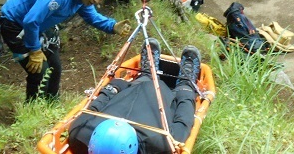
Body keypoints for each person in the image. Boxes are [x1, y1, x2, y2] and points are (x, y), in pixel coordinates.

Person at [0, 0, 132, 101]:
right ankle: (33, 110)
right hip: (14, 23)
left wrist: (113, 26)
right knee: (39, 71)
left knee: (54, 67)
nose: (97, 1)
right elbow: (30, 21)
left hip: (39, 23)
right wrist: (35, 50)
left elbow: (91, 15)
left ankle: (52, 104)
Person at [68, 38, 202, 153]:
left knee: (145, 79)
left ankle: (149, 73)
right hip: (163, 94)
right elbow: (184, 118)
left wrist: (114, 87)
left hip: (133, 89)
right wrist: (186, 92)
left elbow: (94, 107)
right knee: (183, 90)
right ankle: (185, 81)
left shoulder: (79, 132)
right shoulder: (162, 143)